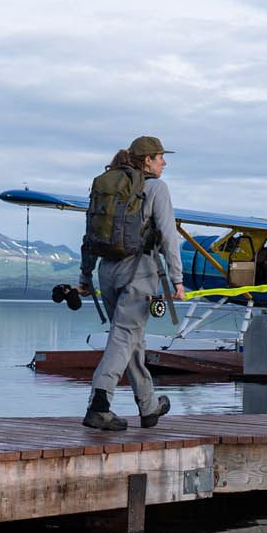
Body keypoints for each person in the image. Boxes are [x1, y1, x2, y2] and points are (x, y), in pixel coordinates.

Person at [77, 136, 186, 431]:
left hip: (107, 270)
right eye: (160, 156)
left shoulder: (110, 187)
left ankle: (148, 406)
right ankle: (99, 404)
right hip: (140, 272)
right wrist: (177, 279)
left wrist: (85, 276)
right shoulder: (156, 187)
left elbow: (90, 232)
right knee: (124, 338)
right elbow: (167, 236)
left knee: (130, 340)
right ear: (147, 161)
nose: (164, 162)